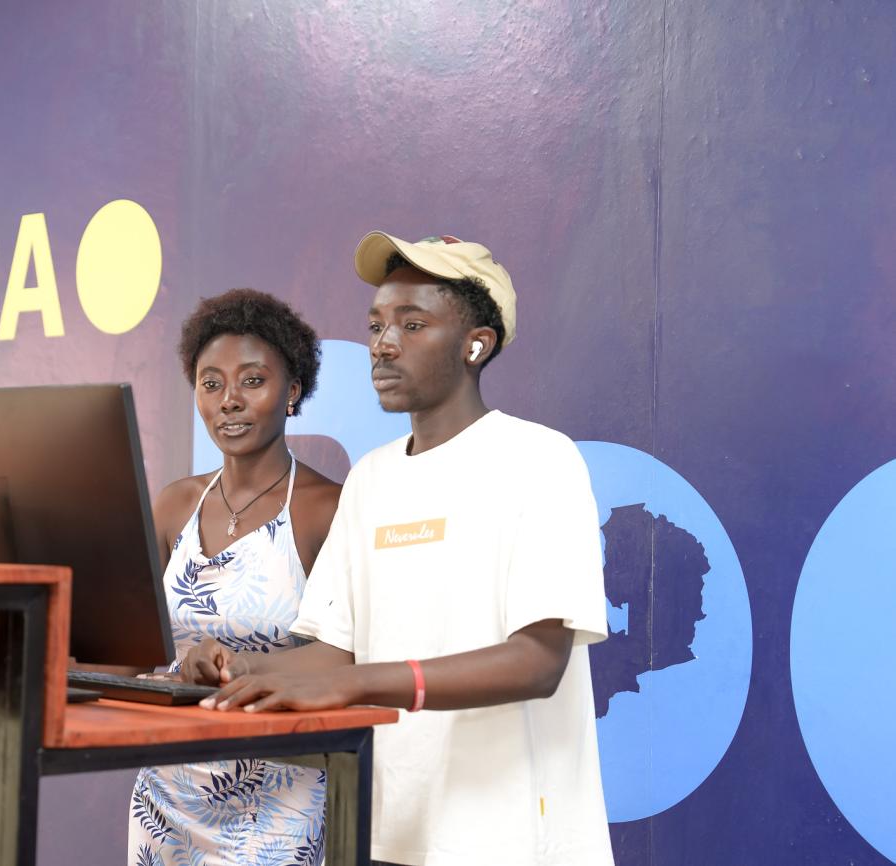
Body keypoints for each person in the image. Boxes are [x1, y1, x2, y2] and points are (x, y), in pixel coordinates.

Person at [183, 234, 615, 866]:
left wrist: (359, 685)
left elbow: (537, 661)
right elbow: (337, 651)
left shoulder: (540, 460)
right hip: (389, 834)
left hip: (514, 841)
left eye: (413, 325)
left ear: (476, 344)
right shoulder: (372, 479)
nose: (383, 344)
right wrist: (243, 672)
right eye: (377, 324)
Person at [128, 288, 343, 866]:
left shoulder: (327, 509)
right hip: (167, 798)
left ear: (292, 391)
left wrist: (238, 666)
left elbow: (348, 655)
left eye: (252, 381)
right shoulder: (175, 505)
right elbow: (127, 649)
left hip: (281, 800)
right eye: (211, 382)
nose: (229, 401)